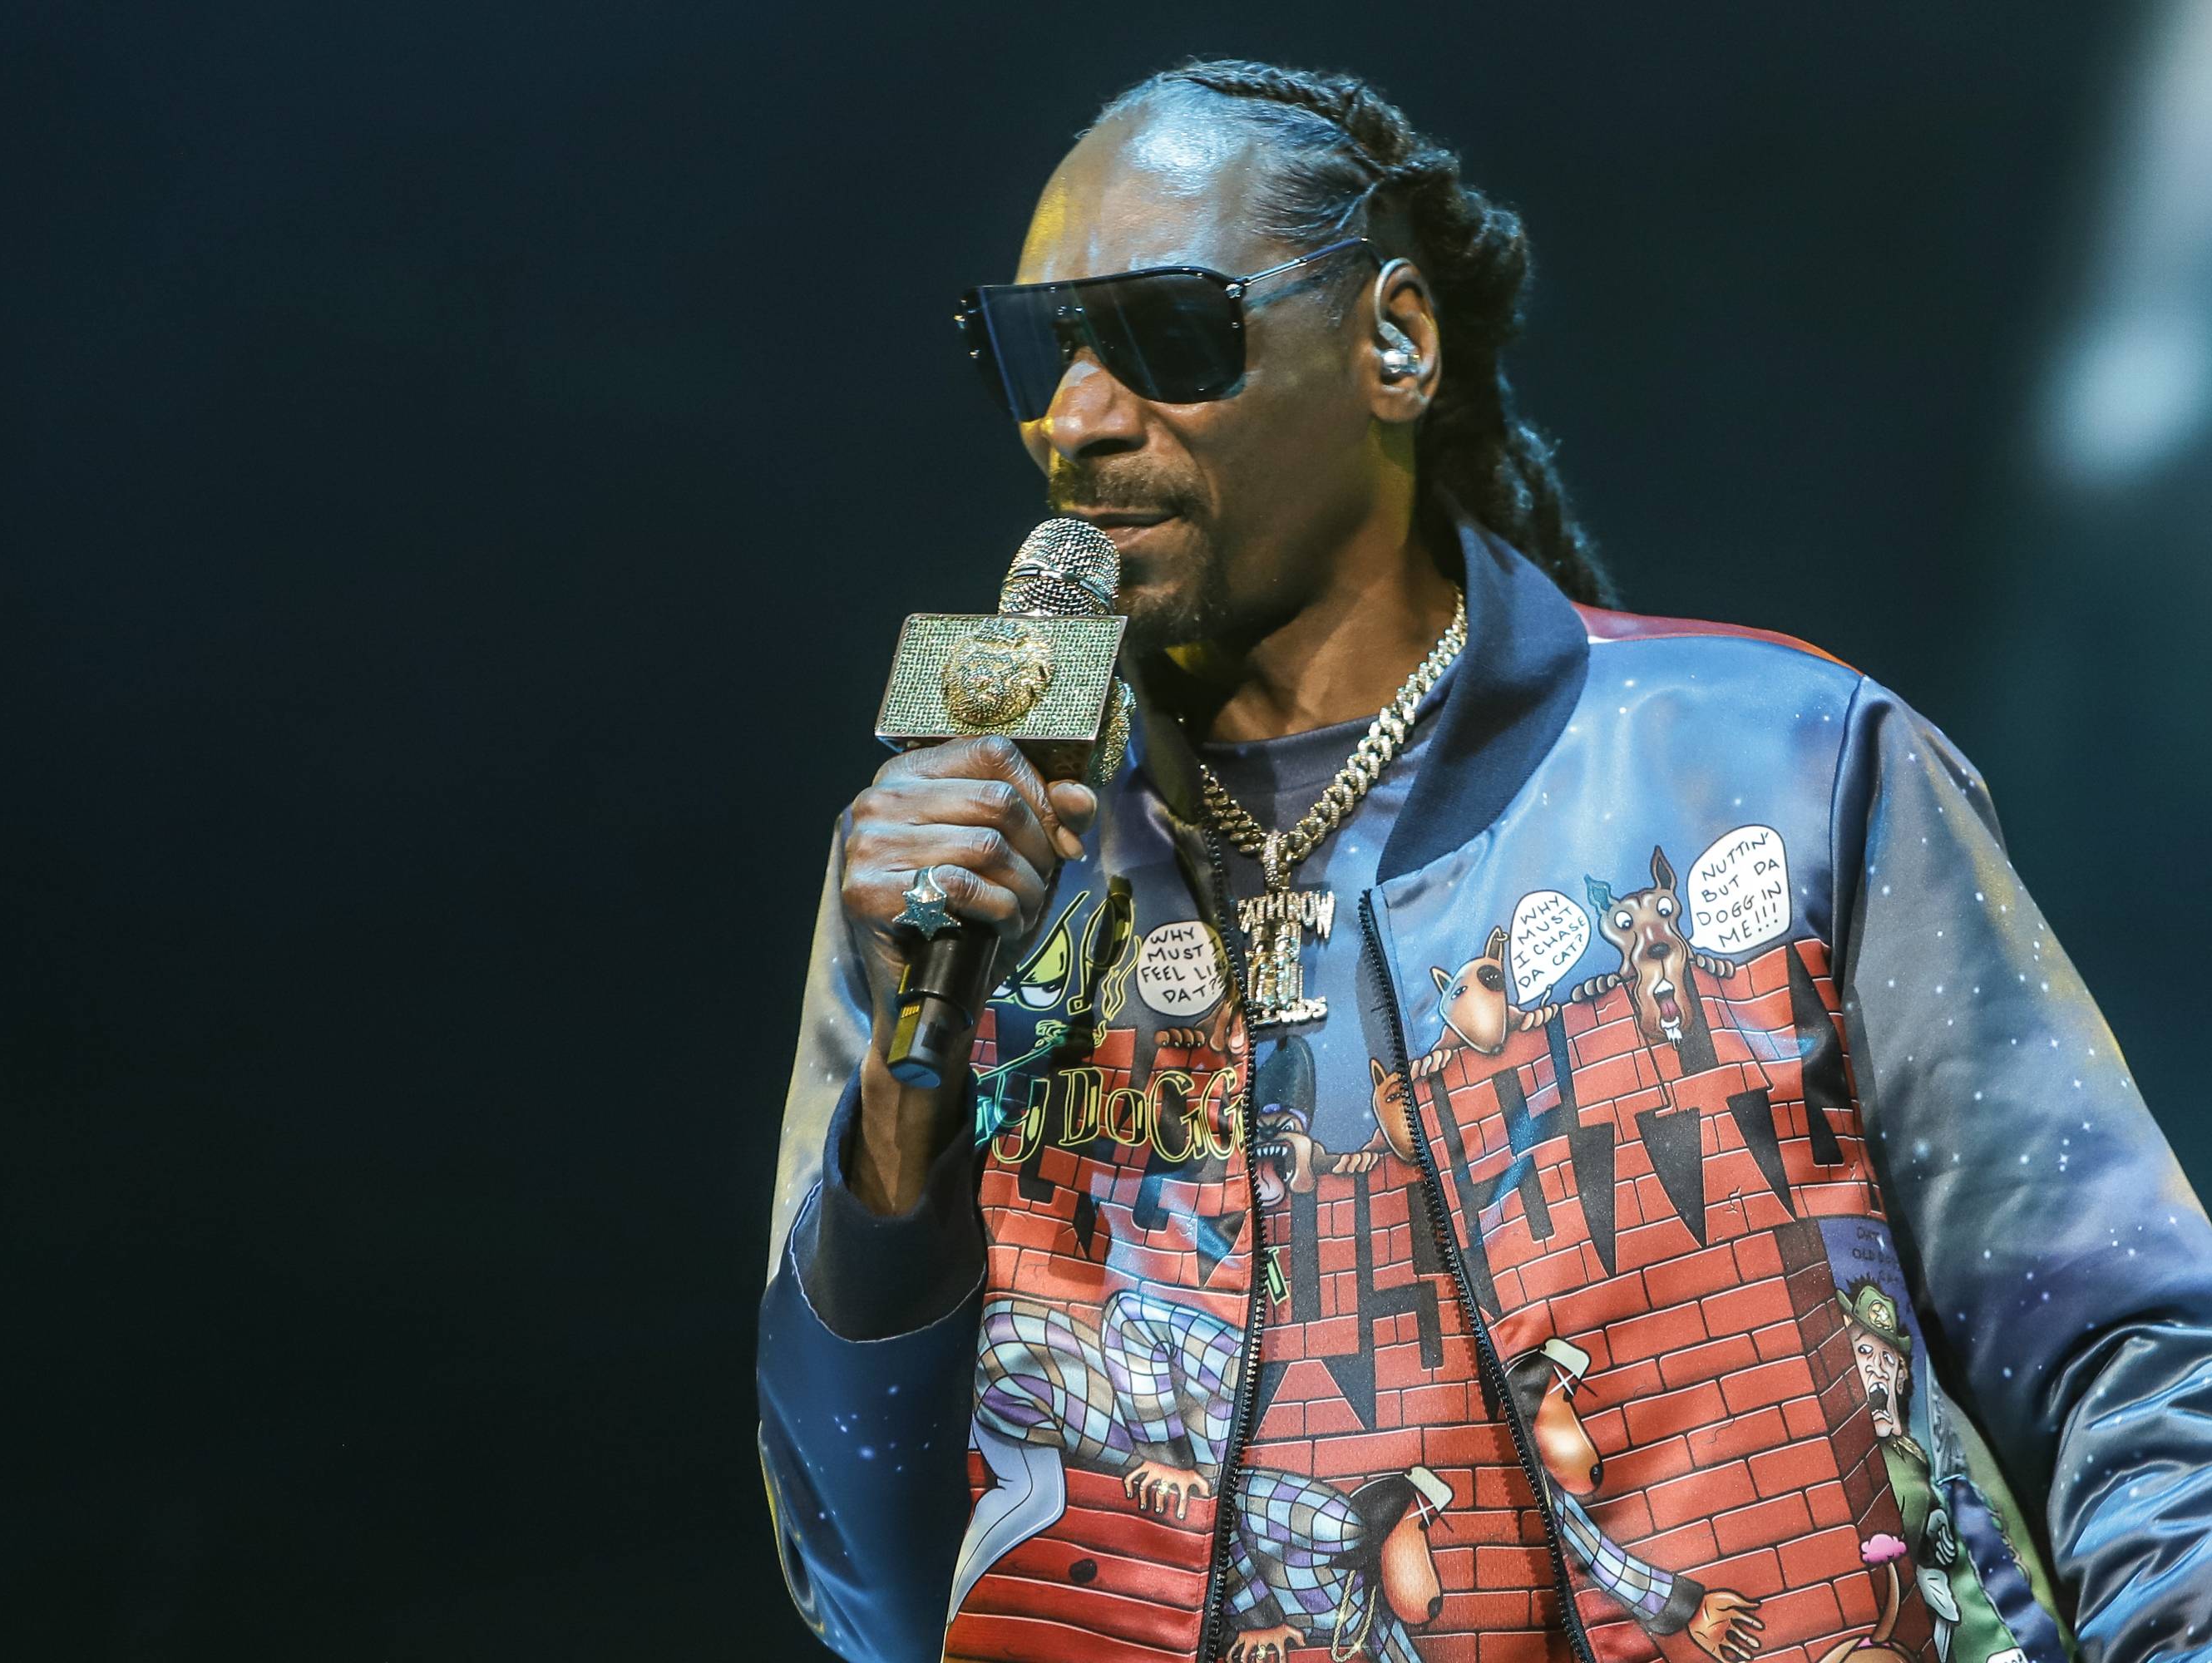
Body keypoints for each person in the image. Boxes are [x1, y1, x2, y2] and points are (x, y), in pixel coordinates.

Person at [756, 58, 2212, 1663]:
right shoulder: (952, 884)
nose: (1080, 419)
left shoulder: (1787, 765)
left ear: (1394, 341)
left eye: (1165, 332)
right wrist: (907, 1109)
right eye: (1034, 352)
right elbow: (873, 1596)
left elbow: (2130, 1352)